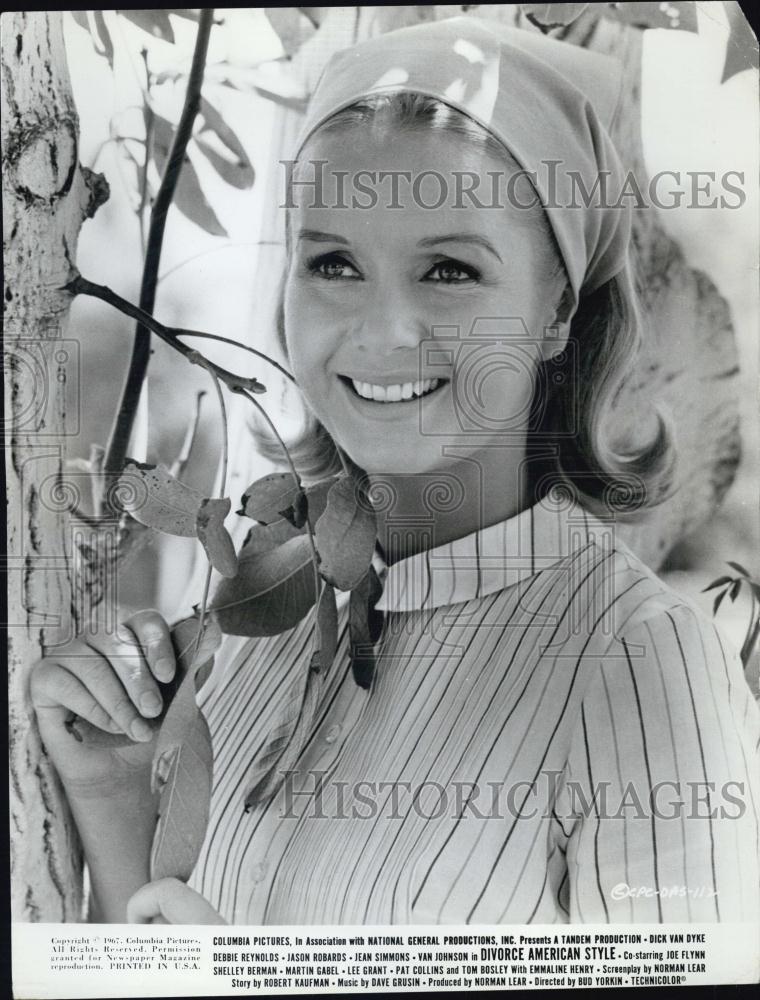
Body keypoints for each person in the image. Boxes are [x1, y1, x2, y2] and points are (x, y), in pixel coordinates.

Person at [30, 16, 760, 925]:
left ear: (558, 309)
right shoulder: (256, 628)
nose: (384, 333)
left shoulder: (644, 661)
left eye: (450, 271)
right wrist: (111, 790)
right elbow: (163, 948)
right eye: (333, 262)